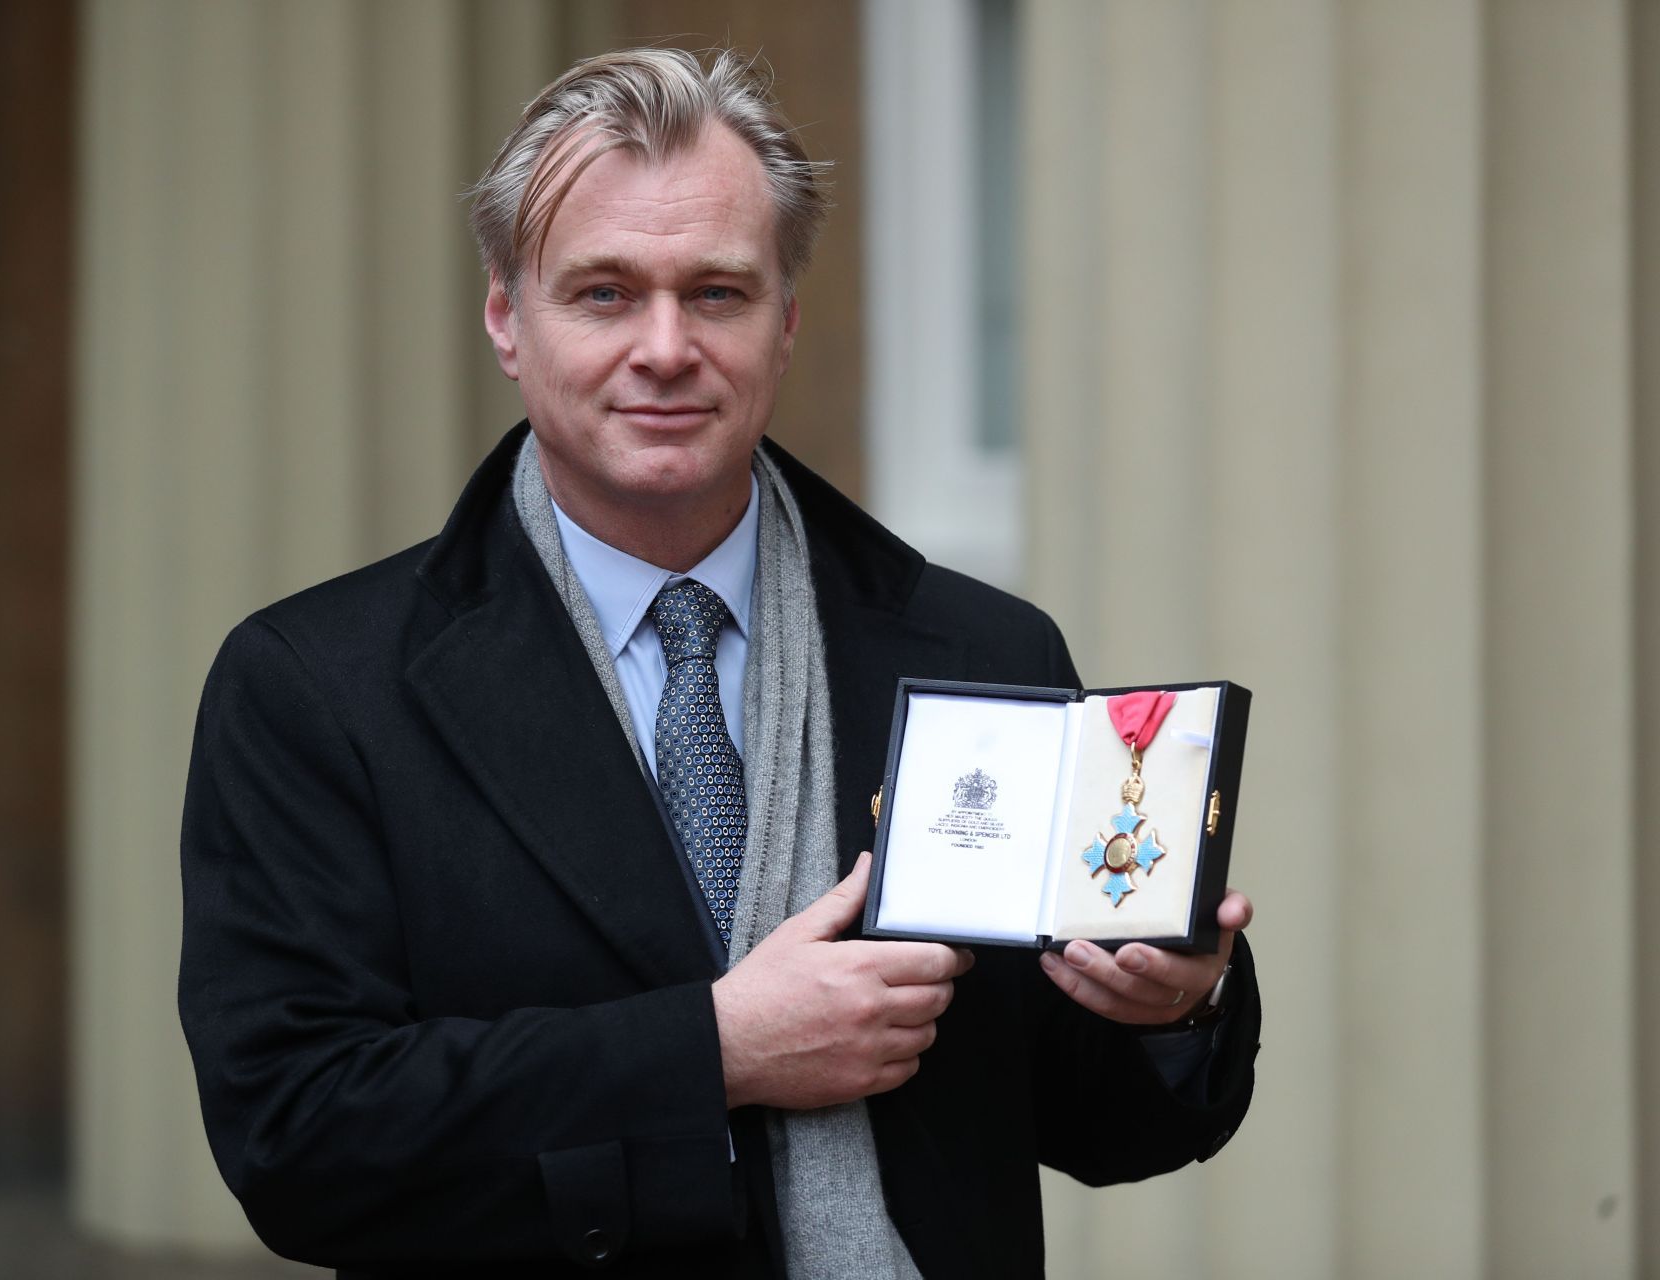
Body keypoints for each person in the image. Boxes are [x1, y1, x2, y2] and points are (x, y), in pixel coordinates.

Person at [179, 47, 1259, 1280]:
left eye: (717, 292)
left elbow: (1097, 1120)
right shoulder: (317, 687)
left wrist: (1174, 1003)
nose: (665, 346)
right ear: (507, 320)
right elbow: (299, 1136)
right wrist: (715, 1048)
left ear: (784, 323)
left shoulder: (986, 651)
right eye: (603, 293)